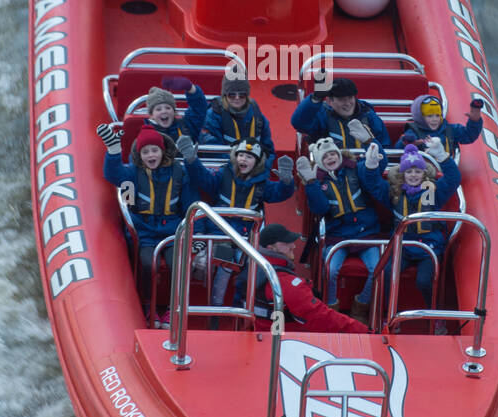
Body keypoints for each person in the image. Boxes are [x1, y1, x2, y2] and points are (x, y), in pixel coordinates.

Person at [96, 123, 199, 326]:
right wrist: (114, 152)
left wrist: (195, 235)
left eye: (154, 150)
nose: (150, 155)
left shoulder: (179, 173)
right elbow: (113, 175)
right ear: (139, 154)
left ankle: (172, 308)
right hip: (145, 233)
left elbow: (190, 206)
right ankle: (147, 306)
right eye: (145, 151)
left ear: (162, 151)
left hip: (173, 232)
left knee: (176, 264)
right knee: (146, 264)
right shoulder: (134, 173)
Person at [178, 136, 294, 306]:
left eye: (249, 157)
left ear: (257, 162)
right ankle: (214, 308)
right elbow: (203, 179)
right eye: (240, 155)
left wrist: (286, 180)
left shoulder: (261, 184)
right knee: (226, 260)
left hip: (245, 238)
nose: (243, 159)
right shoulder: (223, 174)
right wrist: (191, 159)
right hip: (218, 234)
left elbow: (279, 193)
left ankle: (240, 304)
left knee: (244, 263)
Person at [359, 140, 460, 309]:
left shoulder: (432, 192)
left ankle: (433, 314)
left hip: (429, 248)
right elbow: (374, 185)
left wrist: (442, 156)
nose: (413, 175)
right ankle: (389, 313)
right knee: (386, 274)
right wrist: (370, 166)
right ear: (403, 174)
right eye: (409, 171)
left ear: (424, 173)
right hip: (403, 247)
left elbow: (453, 179)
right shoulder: (395, 193)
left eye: (417, 171)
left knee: (424, 281)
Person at [297, 138, 383, 320]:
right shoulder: (318, 181)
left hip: (366, 234)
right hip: (337, 237)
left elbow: (373, 172)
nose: (330, 158)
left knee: (377, 269)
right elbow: (320, 208)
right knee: (330, 268)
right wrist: (311, 183)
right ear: (320, 160)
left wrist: (370, 144)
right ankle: (331, 311)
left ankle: (361, 307)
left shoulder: (355, 168)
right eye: (326, 156)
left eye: (333, 154)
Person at [252, 224, 369, 334]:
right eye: (287, 243)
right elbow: (322, 318)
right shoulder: (285, 283)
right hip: (286, 340)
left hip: (262, 333)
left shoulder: (252, 269)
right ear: (271, 248)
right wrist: (365, 331)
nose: (293, 245)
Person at [291, 76, 391, 153]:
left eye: (350, 98)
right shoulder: (322, 117)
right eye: (341, 99)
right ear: (329, 101)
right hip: (332, 172)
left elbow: (384, 146)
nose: (347, 103)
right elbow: (299, 123)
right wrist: (316, 98)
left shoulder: (369, 116)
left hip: (365, 171)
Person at [200, 72, 275, 167]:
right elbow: (213, 152)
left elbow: (269, 151)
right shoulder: (212, 117)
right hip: (224, 170)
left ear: (247, 96)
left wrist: (261, 168)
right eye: (231, 95)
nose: (237, 98)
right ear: (224, 95)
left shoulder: (259, 117)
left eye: (242, 95)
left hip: (254, 170)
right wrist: (241, 166)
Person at [397, 94, 484, 156]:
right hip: (421, 172)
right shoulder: (413, 133)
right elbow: (398, 150)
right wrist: (408, 143)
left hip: (445, 171)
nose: (434, 119)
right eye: (430, 116)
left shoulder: (449, 129)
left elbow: (468, 135)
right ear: (420, 117)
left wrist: (474, 121)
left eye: (437, 115)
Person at [141, 77, 208, 148]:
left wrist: (190, 88)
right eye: (158, 109)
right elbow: (136, 156)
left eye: (168, 108)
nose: (164, 111)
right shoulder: (146, 135)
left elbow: (199, 109)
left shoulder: (186, 126)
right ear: (151, 115)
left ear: (174, 111)